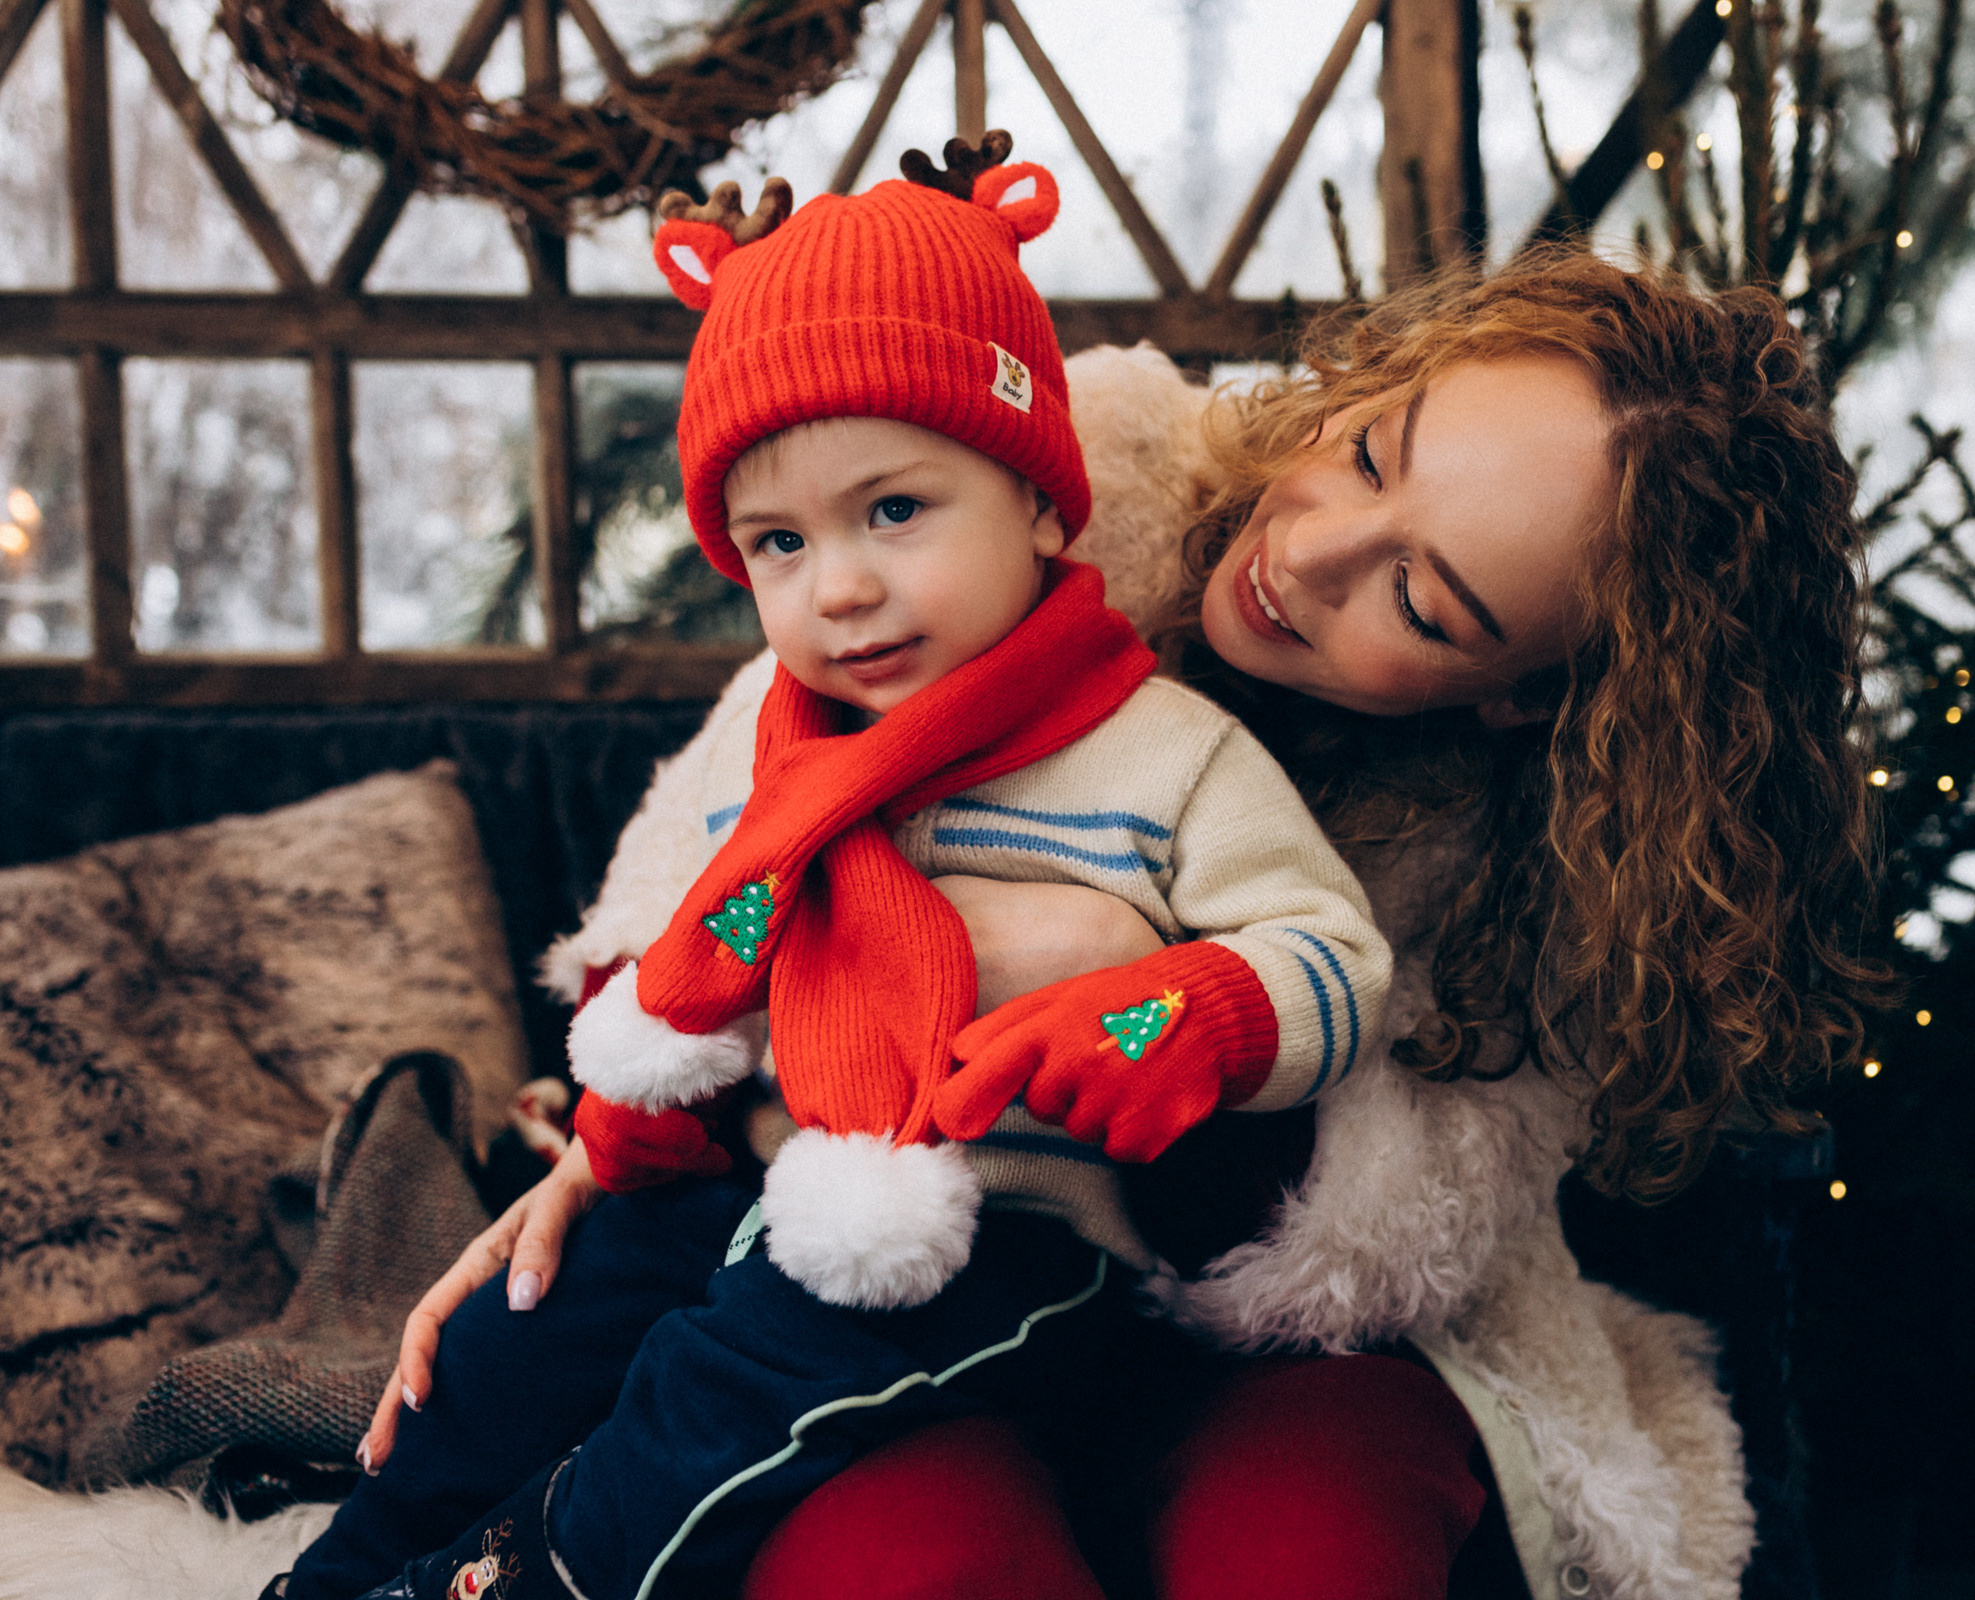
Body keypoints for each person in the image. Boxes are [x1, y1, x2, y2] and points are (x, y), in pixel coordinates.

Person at [361, 238, 1883, 1600]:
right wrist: (632, 1139)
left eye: (1422, 603)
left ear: (1527, 693)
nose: (1308, 557)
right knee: (906, 1557)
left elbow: (1378, 1229)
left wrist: (1153, 993)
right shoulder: (1066, 454)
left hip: (1282, 1328)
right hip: (908, 1249)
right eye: (1366, 456)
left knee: (1303, 1552)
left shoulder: (1536, 861)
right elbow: (732, 824)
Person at [274, 135, 1388, 1600]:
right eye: (779, 543)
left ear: (1043, 505)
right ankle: (338, 1571)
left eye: (897, 512)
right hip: (761, 1186)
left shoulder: (1160, 753)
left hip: (1008, 1241)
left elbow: (1326, 955)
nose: (840, 586)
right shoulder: (780, 752)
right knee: (528, 1332)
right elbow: (705, 971)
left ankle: (516, 1572)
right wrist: (618, 1146)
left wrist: (1169, 1012)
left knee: (730, 1389)